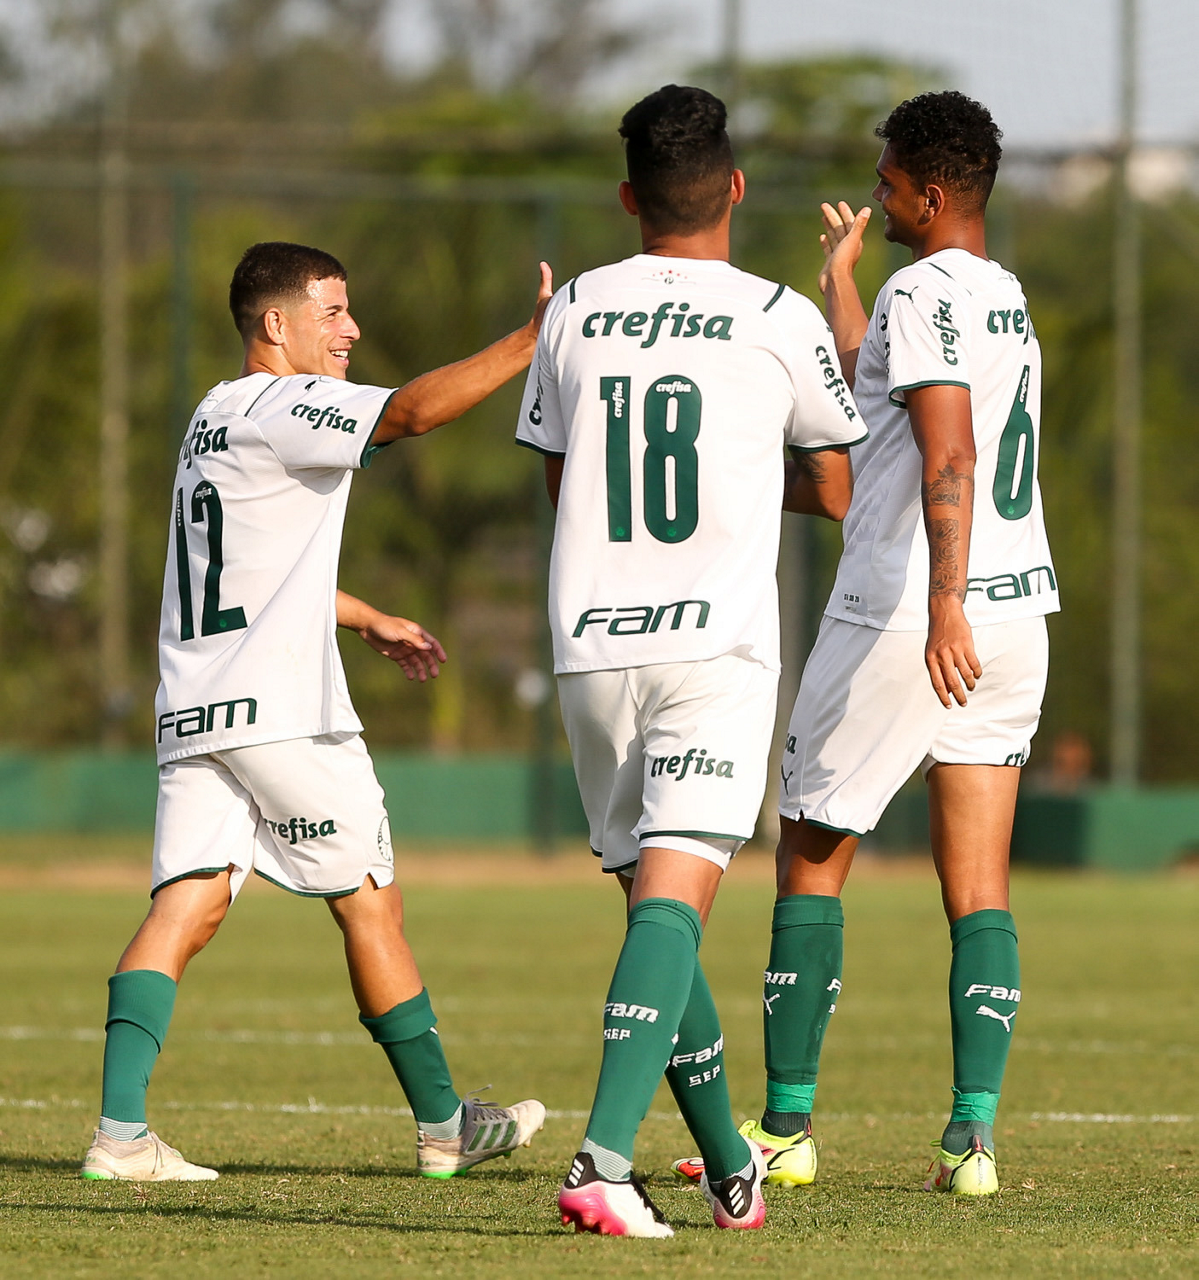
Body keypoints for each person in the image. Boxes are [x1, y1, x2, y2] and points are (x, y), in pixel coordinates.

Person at [81, 240, 552, 1182]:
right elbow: (409, 413)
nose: (352, 330)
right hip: (283, 711)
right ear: (275, 324)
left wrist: (363, 615)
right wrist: (530, 340)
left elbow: (245, 571)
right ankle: (445, 1127)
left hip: (198, 708)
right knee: (370, 899)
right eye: (332, 312)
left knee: (186, 904)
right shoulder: (288, 403)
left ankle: (121, 1136)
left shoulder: (212, 414)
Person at [677, 91, 1058, 1198]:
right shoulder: (997, 293)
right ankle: (971, 1141)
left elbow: (948, 450)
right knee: (977, 883)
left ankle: (784, 1129)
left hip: (908, 613)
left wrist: (942, 602)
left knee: (809, 854)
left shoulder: (923, 287)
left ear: (930, 194)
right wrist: (839, 281)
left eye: (887, 183)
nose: (876, 197)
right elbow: (885, 389)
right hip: (1017, 614)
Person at [516, 85, 864, 1237]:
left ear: (628, 197)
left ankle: (727, 1166)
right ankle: (602, 1161)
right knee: (674, 906)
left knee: (657, 920)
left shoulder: (572, 308)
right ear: (736, 187)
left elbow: (562, 480)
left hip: (590, 646)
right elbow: (833, 485)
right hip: (711, 645)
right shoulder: (775, 312)